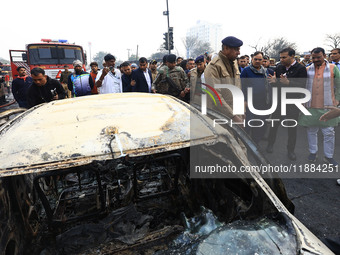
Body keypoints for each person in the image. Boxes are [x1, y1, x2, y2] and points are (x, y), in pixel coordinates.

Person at [299, 47, 340, 165]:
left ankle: (328, 156)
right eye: (314, 57)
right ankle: (313, 152)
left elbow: (339, 85)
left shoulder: (333, 68)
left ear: (324, 56)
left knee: (328, 132)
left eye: (318, 57)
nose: (316, 59)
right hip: (311, 105)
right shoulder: (307, 69)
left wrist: (337, 100)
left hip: (328, 105)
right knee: (311, 130)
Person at [266, 47, 307, 160]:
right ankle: (270, 144)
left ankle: (291, 151)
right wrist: (274, 82)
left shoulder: (301, 69)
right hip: (279, 102)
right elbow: (277, 85)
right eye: (280, 57)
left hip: (293, 103)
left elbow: (302, 86)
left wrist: (289, 83)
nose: (282, 60)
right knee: (274, 125)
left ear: (292, 56)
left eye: (284, 57)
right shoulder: (279, 67)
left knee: (291, 128)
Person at [204, 36, 244, 122]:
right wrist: (233, 117)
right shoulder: (213, 67)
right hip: (221, 117)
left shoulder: (234, 64)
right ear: (226, 48)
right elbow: (215, 96)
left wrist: (242, 112)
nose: (239, 53)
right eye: (236, 49)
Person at [241, 51, 273, 144]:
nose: (258, 61)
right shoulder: (246, 71)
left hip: (263, 103)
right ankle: (245, 144)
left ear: (263, 60)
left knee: (259, 125)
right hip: (250, 103)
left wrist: (274, 81)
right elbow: (242, 87)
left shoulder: (267, 72)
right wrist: (244, 100)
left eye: (260, 59)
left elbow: (273, 86)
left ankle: (256, 143)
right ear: (252, 59)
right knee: (247, 125)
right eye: (255, 59)